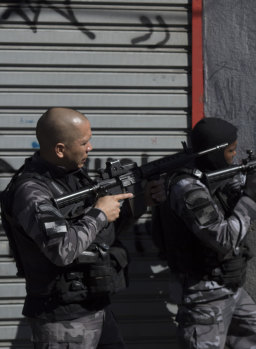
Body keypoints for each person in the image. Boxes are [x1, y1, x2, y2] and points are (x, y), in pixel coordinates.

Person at [0, 107, 165, 348]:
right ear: (60, 149)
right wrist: (99, 213)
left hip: (95, 306)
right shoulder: (31, 192)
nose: (91, 148)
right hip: (62, 320)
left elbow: (100, 236)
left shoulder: (73, 176)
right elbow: (62, 249)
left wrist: (141, 202)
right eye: (84, 142)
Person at [153, 117, 256, 349]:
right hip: (203, 297)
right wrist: (250, 197)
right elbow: (223, 239)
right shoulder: (187, 188)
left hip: (229, 288)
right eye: (230, 150)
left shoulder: (221, 174)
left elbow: (251, 194)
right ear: (214, 152)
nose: (234, 156)